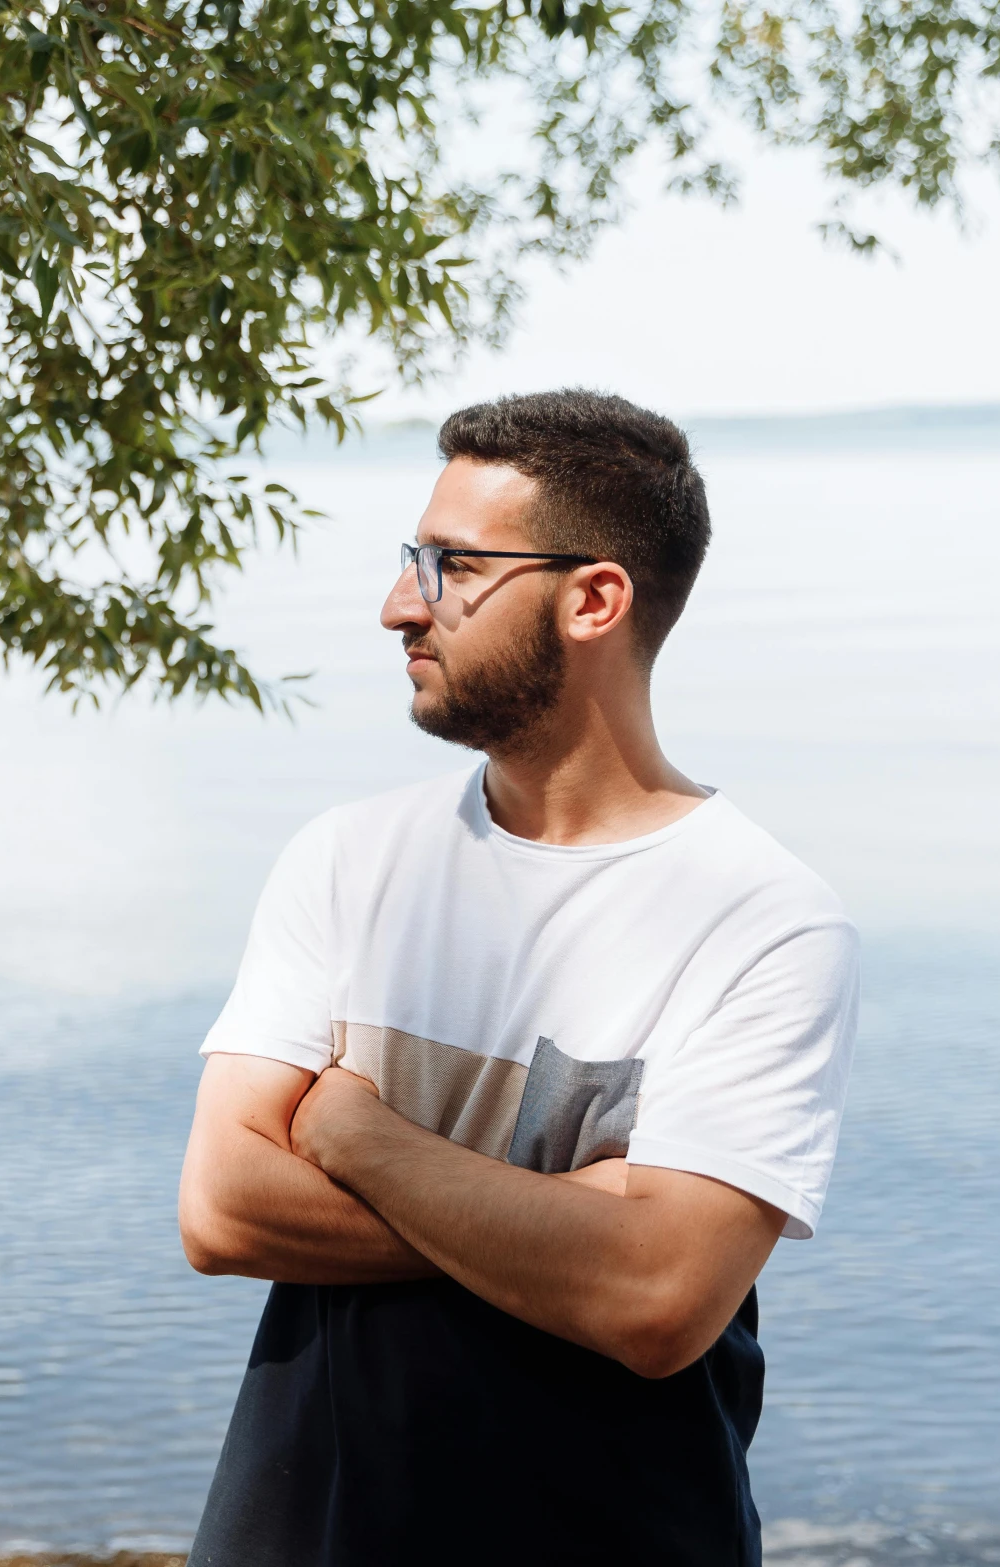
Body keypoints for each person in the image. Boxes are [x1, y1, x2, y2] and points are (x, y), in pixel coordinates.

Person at [177, 390, 859, 1566]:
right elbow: (224, 1206)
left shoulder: (763, 922)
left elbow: (655, 1306)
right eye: (411, 559)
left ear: (592, 597)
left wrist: (354, 1133)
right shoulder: (350, 859)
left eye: (449, 566)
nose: (401, 605)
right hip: (303, 1531)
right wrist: (580, 1219)